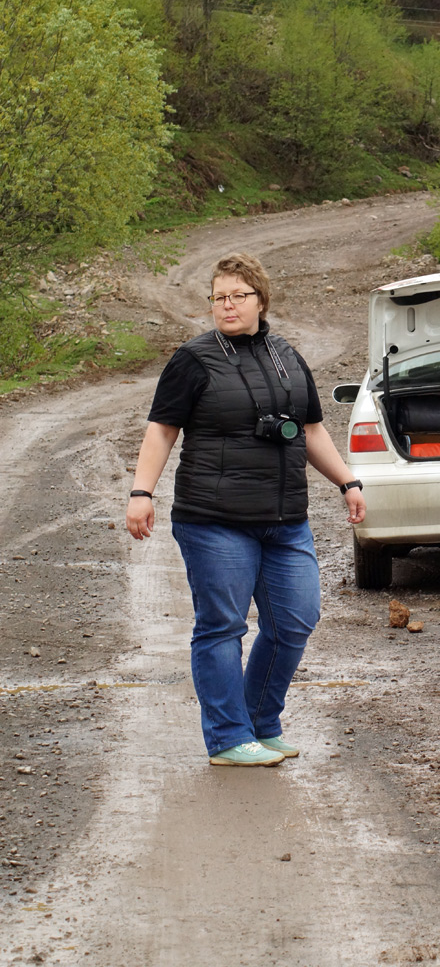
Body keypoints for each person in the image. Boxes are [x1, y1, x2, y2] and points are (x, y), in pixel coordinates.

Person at [125, 252, 365, 767]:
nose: (226, 305)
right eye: (218, 297)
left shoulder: (286, 355)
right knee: (222, 626)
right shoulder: (193, 359)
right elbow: (162, 428)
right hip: (215, 520)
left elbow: (310, 429)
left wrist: (347, 480)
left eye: (237, 296)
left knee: (295, 619)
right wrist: (141, 492)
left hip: (285, 519)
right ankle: (229, 738)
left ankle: (260, 722)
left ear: (261, 300)